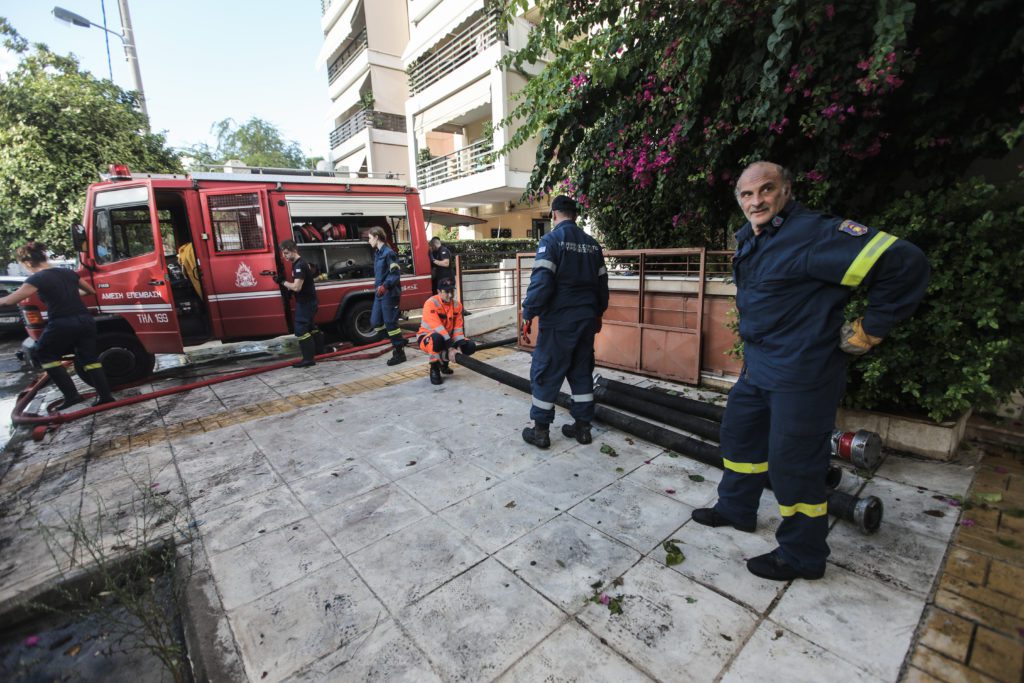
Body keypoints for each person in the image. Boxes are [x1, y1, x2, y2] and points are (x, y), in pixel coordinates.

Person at [691, 161, 930, 582]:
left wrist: (870, 330)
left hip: (804, 373)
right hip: (760, 367)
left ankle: (802, 555)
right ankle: (737, 508)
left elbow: (905, 262)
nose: (755, 200)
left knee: (793, 465)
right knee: (739, 436)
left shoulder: (815, 234)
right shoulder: (755, 237)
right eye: (746, 194)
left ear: (786, 191)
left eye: (766, 190)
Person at [520, 195, 609, 448]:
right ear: (575, 216)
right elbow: (603, 286)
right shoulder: (592, 245)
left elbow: (541, 282)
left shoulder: (551, 240)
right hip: (586, 321)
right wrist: (598, 313)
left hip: (559, 322)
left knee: (546, 372)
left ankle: (540, 432)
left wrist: (528, 312)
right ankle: (582, 429)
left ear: (554, 214)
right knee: (581, 373)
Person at [0, 241, 114, 409]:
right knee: (89, 358)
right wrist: (68, 294)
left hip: (62, 322)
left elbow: (10, 300)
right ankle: (105, 396)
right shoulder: (68, 272)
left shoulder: (36, 278)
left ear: (28, 262)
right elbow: (90, 291)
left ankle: (72, 396)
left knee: (44, 352)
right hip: (85, 321)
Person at [417, 278, 477, 384]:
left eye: (452, 291)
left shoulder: (457, 306)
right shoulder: (430, 303)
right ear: (439, 291)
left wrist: (458, 346)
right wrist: (450, 347)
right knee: (437, 339)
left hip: (447, 337)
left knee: (470, 346)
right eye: (446, 292)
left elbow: (458, 329)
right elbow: (438, 327)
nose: (450, 295)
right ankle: (434, 367)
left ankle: (444, 363)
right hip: (428, 337)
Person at [276, 240, 322, 368]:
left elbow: (297, 287)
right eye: (283, 254)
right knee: (310, 327)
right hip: (308, 301)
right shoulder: (298, 263)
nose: (284, 256)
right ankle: (320, 352)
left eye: (286, 253)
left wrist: (282, 282)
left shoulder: (299, 265)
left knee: (301, 329)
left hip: (306, 303)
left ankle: (308, 359)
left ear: (294, 250)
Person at [368, 226, 408, 366]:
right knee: (375, 322)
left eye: (370, 238)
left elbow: (395, 274)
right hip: (380, 294)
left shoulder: (389, 253)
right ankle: (399, 340)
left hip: (389, 294)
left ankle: (399, 352)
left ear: (377, 237)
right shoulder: (378, 253)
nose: (369, 241)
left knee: (390, 323)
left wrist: (385, 286)